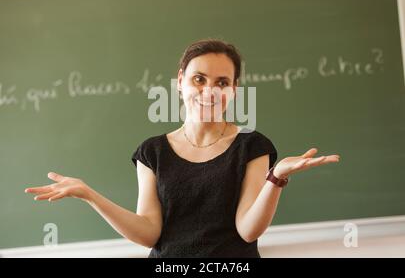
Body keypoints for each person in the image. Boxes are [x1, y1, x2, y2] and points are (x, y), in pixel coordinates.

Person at [25, 38, 340, 258]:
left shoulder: (252, 146)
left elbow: (247, 230)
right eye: (199, 79)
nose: (209, 91)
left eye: (221, 83)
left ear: (233, 91)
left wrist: (277, 178)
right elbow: (149, 232)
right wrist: (89, 194)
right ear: (180, 81)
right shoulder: (153, 152)